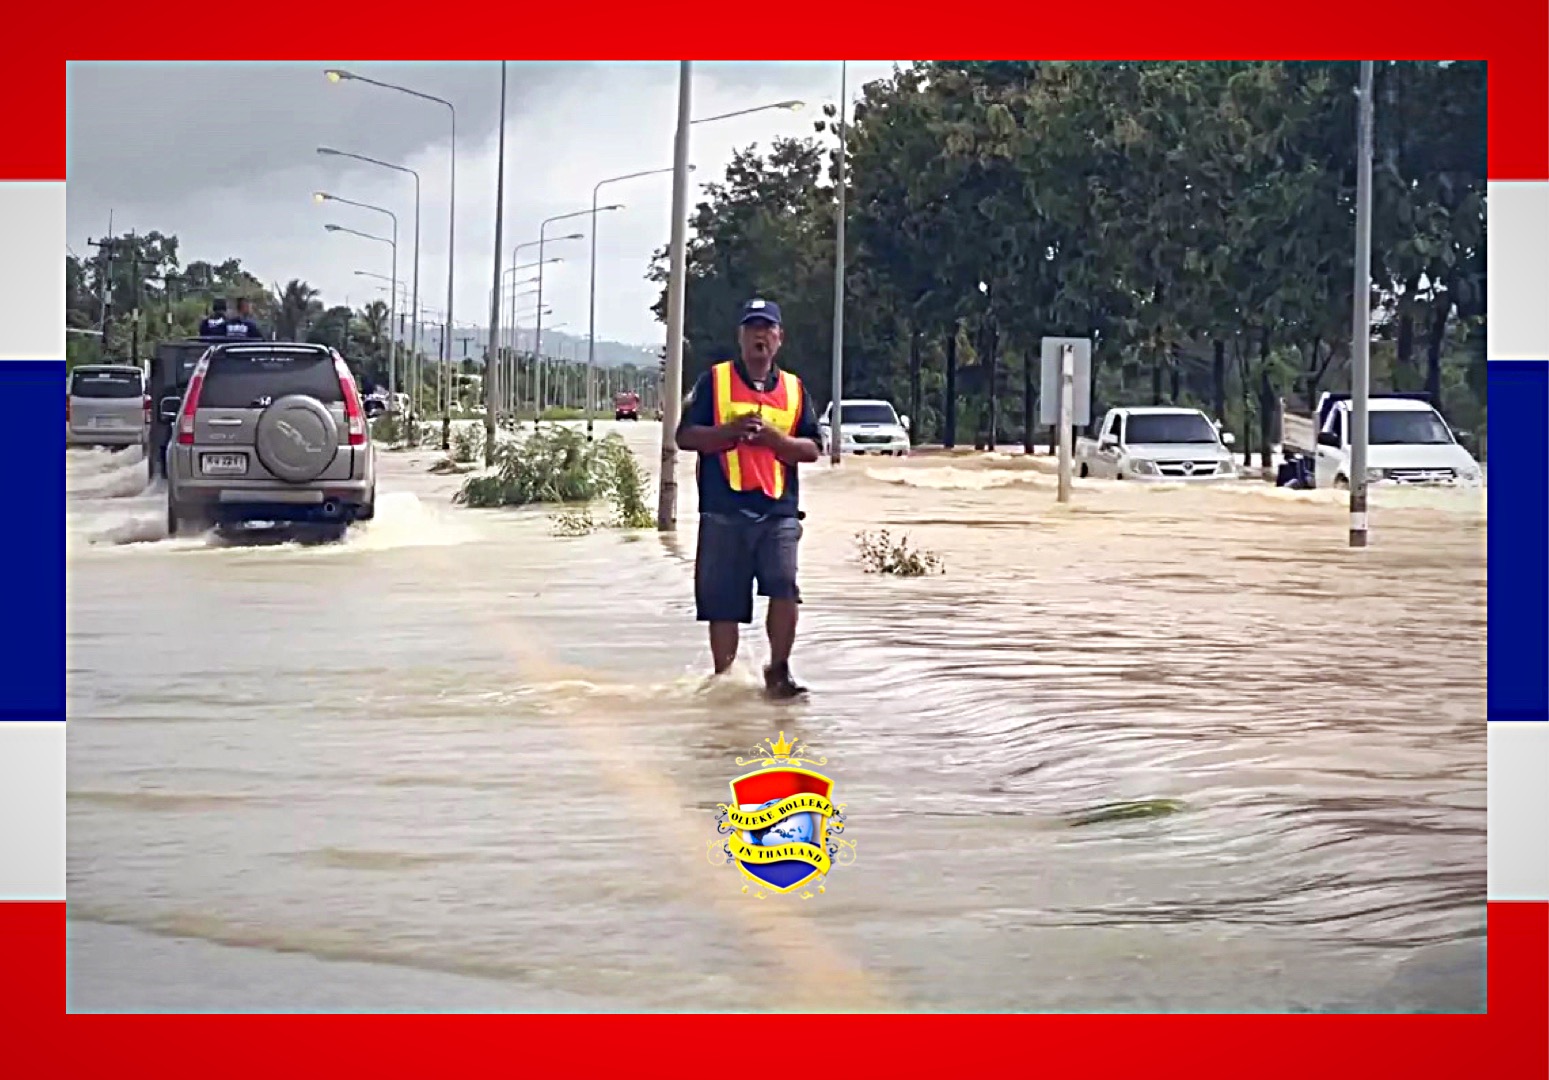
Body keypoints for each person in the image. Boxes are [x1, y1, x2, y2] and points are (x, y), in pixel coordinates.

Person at [675, 298, 822, 699]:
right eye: (752, 328)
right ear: (740, 337)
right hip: (723, 511)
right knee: (722, 603)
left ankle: (779, 670)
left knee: (784, 586)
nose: (760, 336)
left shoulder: (794, 388)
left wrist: (778, 441)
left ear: (779, 338)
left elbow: (813, 448)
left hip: (778, 511)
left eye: (767, 329)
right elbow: (685, 437)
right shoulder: (714, 381)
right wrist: (729, 432)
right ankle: (725, 683)